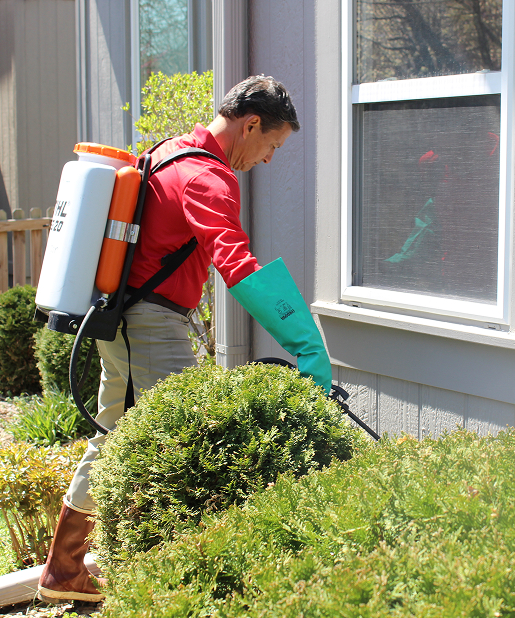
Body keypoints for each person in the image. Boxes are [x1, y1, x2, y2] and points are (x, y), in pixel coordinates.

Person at [37, 75, 332, 604]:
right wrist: (304, 341)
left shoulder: (169, 152)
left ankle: (65, 569)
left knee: (115, 436)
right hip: (150, 325)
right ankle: (181, 582)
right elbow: (237, 265)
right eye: (272, 145)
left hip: (123, 316)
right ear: (251, 124)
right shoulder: (207, 177)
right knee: (191, 441)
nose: (268, 159)